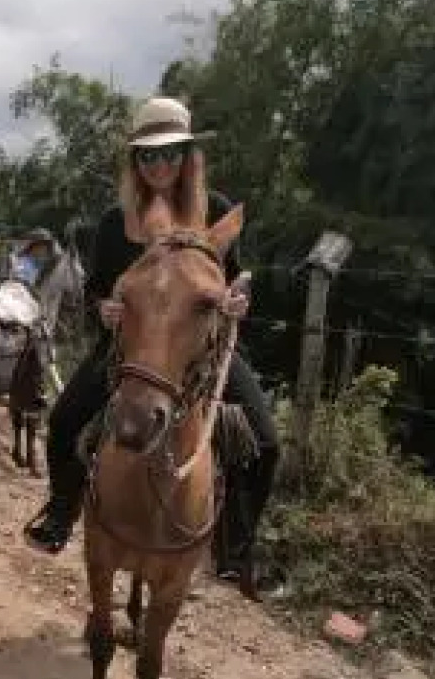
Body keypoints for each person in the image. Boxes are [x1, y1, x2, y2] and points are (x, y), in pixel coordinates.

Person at [23, 96, 280, 587]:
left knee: (265, 443)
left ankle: (236, 550)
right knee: (64, 420)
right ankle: (61, 512)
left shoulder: (215, 210)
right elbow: (97, 288)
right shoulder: (113, 222)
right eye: (148, 155)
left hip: (199, 349)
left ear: (187, 155)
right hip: (130, 349)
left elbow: (232, 280)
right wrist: (104, 308)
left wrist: (235, 303)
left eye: (170, 153)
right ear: (135, 160)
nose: (159, 164)